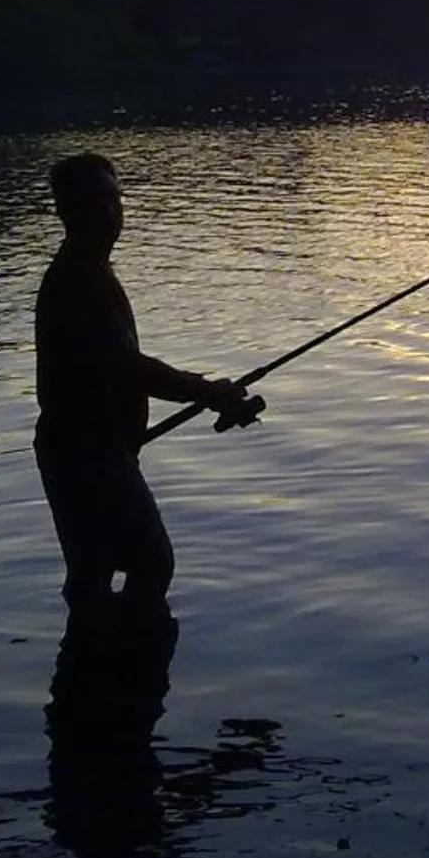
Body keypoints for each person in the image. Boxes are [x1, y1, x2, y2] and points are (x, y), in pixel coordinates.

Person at [35, 152, 258, 619]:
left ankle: (97, 665)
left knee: (97, 568)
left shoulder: (91, 270)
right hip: (86, 454)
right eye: (94, 203)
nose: (109, 213)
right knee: (147, 562)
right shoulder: (77, 281)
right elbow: (127, 368)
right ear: (67, 212)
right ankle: (118, 661)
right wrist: (207, 391)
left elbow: (117, 371)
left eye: (114, 201)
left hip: (96, 448)